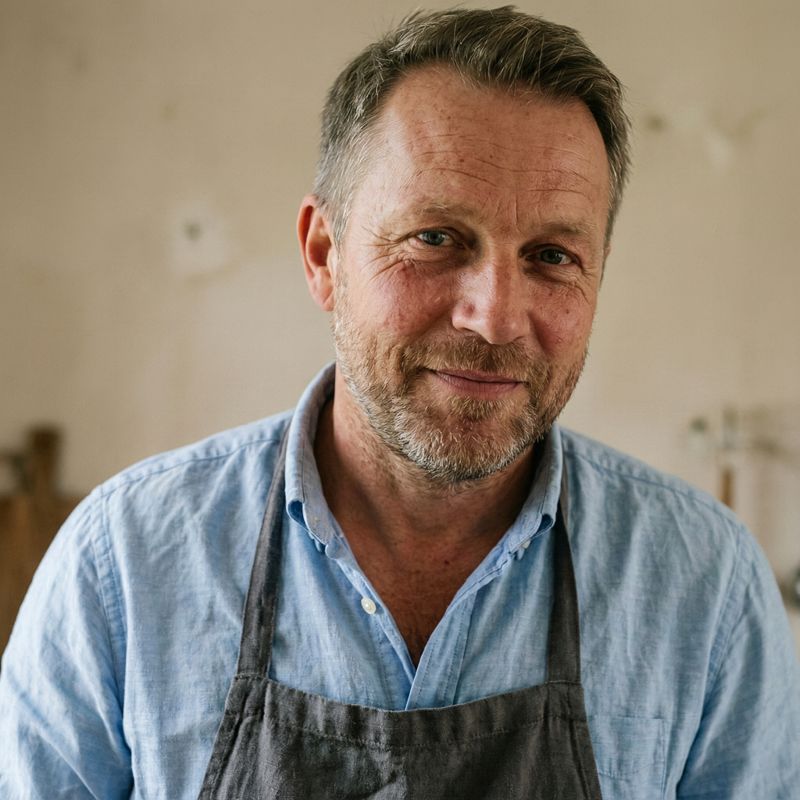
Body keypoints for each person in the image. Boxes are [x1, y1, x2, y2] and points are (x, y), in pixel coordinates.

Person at [1, 7, 798, 799]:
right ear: (324, 255)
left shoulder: (705, 589)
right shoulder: (125, 566)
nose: (493, 316)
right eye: (436, 238)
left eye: (552, 256)